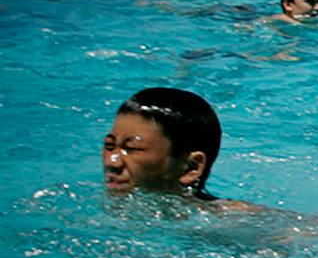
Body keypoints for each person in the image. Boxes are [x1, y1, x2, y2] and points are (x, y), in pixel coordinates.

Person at [102, 87, 238, 202]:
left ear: (191, 167)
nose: (111, 162)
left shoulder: (230, 221)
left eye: (131, 148)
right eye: (109, 146)